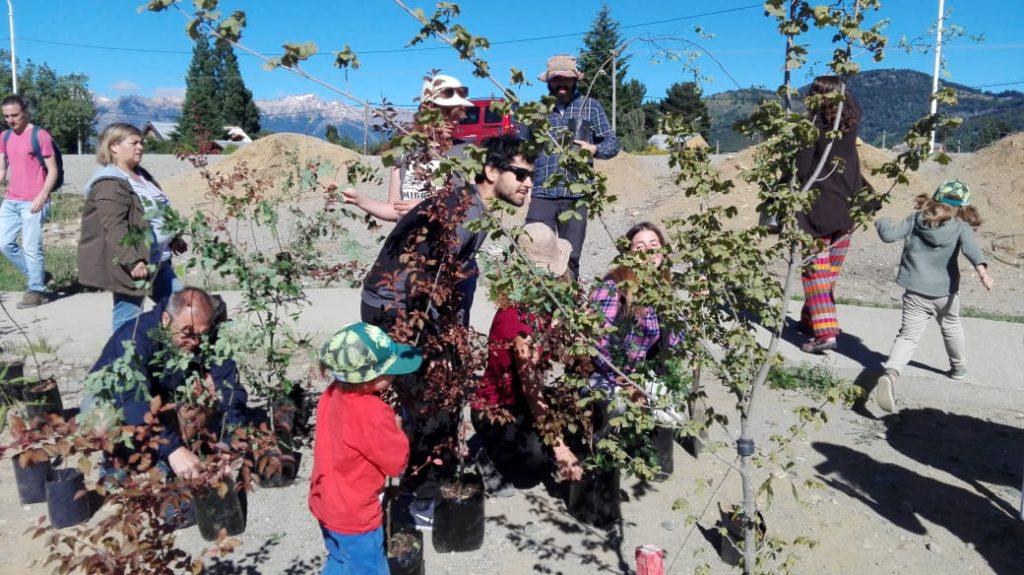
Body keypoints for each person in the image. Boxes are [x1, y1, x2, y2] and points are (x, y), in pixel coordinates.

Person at [359, 133, 533, 529]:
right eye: (520, 173)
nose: (527, 184)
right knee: (433, 400)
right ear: (491, 171)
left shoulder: (475, 207)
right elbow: (425, 284)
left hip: (404, 303)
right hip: (397, 307)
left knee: (432, 393)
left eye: (531, 176)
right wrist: (438, 347)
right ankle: (419, 501)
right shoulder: (464, 214)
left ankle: (414, 471)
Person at [87, 287, 247, 480]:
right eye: (187, 333)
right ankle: (116, 464)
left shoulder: (209, 334)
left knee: (209, 390)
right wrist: (173, 450)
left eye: (201, 334)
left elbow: (230, 387)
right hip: (119, 397)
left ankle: (180, 448)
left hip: (163, 396)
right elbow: (131, 399)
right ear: (165, 319)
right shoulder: (136, 336)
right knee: (104, 420)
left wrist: (228, 442)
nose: (195, 342)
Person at [471, 222, 583, 495]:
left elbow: (561, 355)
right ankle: (490, 455)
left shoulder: (546, 305)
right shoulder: (516, 322)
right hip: (498, 408)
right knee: (535, 459)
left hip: (526, 396)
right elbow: (532, 389)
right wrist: (561, 448)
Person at [308, 322, 421, 575]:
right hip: (355, 517)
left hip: (325, 502)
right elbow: (396, 464)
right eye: (390, 370)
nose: (394, 374)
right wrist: (396, 429)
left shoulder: (331, 394)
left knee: (339, 558)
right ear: (373, 380)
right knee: (368, 568)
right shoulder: (373, 413)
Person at [873, 180, 994, 413]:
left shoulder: (917, 219)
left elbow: (888, 235)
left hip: (915, 291)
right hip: (945, 293)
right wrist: (983, 273)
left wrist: (882, 221)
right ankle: (958, 368)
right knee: (951, 327)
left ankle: (891, 374)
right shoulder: (961, 226)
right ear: (963, 206)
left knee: (908, 337)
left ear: (936, 198)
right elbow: (971, 250)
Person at [79, 123, 185, 332]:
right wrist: (132, 260)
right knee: (128, 318)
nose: (140, 147)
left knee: (181, 306)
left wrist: (173, 238)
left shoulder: (141, 175)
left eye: (141, 142)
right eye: (134, 142)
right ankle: (121, 360)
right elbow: (114, 226)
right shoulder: (109, 181)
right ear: (114, 147)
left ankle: (172, 354)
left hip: (159, 261)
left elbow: (155, 213)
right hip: (135, 264)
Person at [523, 54, 620, 279]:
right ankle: (536, 309)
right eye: (556, 79)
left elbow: (612, 143)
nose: (561, 84)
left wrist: (594, 149)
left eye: (566, 79)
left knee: (572, 256)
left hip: (577, 194)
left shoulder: (591, 107)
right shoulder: (536, 112)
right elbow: (519, 148)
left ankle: (568, 308)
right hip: (542, 193)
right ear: (548, 82)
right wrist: (524, 178)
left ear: (575, 80)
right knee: (532, 250)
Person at [342, 73, 472, 222]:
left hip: (443, 242)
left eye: (459, 114)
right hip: (407, 242)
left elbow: (471, 209)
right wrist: (358, 200)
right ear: (425, 110)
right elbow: (395, 209)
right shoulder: (404, 150)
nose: (454, 121)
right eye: (447, 113)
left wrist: (427, 207)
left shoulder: (465, 152)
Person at [795, 75, 863, 354]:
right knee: (829, 271)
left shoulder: (811, 127)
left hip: (817, 208)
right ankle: (809, 319)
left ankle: (825, 334)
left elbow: (802, 169)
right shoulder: (848, 126)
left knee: (815, 271)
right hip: (848, 207)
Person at [588, 221, 679, 393]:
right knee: (622, 409)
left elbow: (672, 344)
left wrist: (697, 309)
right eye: (639, 247)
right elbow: (599, 344)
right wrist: (629, 384)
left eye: (654, 245)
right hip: (609, 377)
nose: (649, 252)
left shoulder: (660, 289)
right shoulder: (613, 287)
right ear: (628, 255)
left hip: (646, 376)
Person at [0, 95, 59, 308]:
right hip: (11, 200)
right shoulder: (4, 137)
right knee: (4, 243)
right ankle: (39, 276)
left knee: (31, 247)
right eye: (6, 116)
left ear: (26, 112)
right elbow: (2, 167)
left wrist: (42, 196)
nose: (11, 120)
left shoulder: (40, 136)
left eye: (15, 115)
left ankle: (37, 290)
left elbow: (53, 170)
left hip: (34, 200)